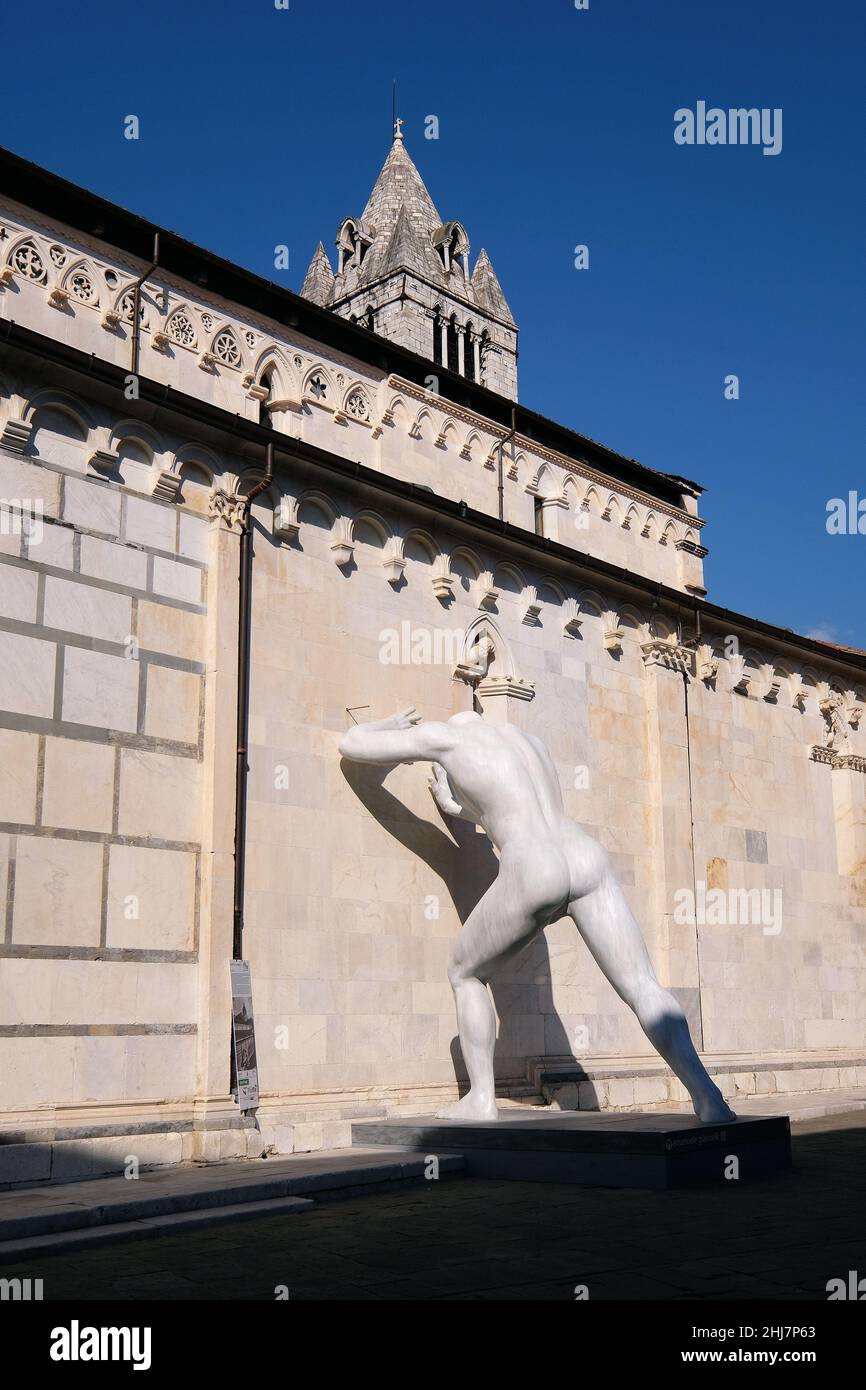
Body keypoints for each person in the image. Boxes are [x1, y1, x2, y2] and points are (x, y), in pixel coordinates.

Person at [339, 707, 734, 1125]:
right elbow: (508, 810)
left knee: (465, 974)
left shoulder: (448, 739)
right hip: (585, 856)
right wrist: (457, 809)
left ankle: (481, 1099)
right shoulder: (530, 744)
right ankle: (709, 1098)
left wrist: (389, 728)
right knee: (642, 984)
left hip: (534, 866)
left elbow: (353, 745)